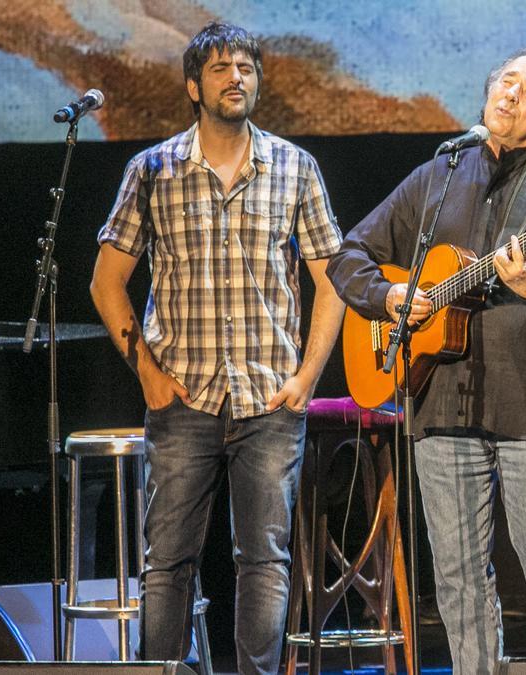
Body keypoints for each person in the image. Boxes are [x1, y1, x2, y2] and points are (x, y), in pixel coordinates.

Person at [327, 47, 526, 674]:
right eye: (504, 81)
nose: (510, 94)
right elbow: (349, 256)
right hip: (438, 405)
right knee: (458, 579)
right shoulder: (440, 173)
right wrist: (390, 297)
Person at [89, 22, 344, 674]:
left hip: (269, 395)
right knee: (168, 558)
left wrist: (308, 375)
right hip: (183, 393)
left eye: (247, 68)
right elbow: (106, 282)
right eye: (222, 68)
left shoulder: (293, 167)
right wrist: (144, 369)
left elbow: (332, 282)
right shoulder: (152, 171)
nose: (237, 77)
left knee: (263, 558)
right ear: (192, 87)